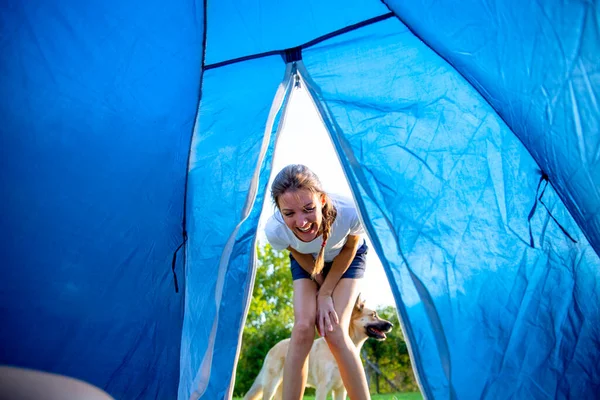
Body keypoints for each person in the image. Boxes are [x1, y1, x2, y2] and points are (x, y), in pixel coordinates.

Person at [264, 164, 371, 400]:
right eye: (289, 214)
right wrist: (319, 283)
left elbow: (351, 247)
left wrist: (326, 294)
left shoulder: (350, 211)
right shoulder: (275, 230)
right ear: (280, 212)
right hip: (309, 263)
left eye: (308, 209)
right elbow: (298, 252)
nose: (301, 222)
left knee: (334, 330)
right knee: (303, 329)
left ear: (321, 199)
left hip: (347, 258)